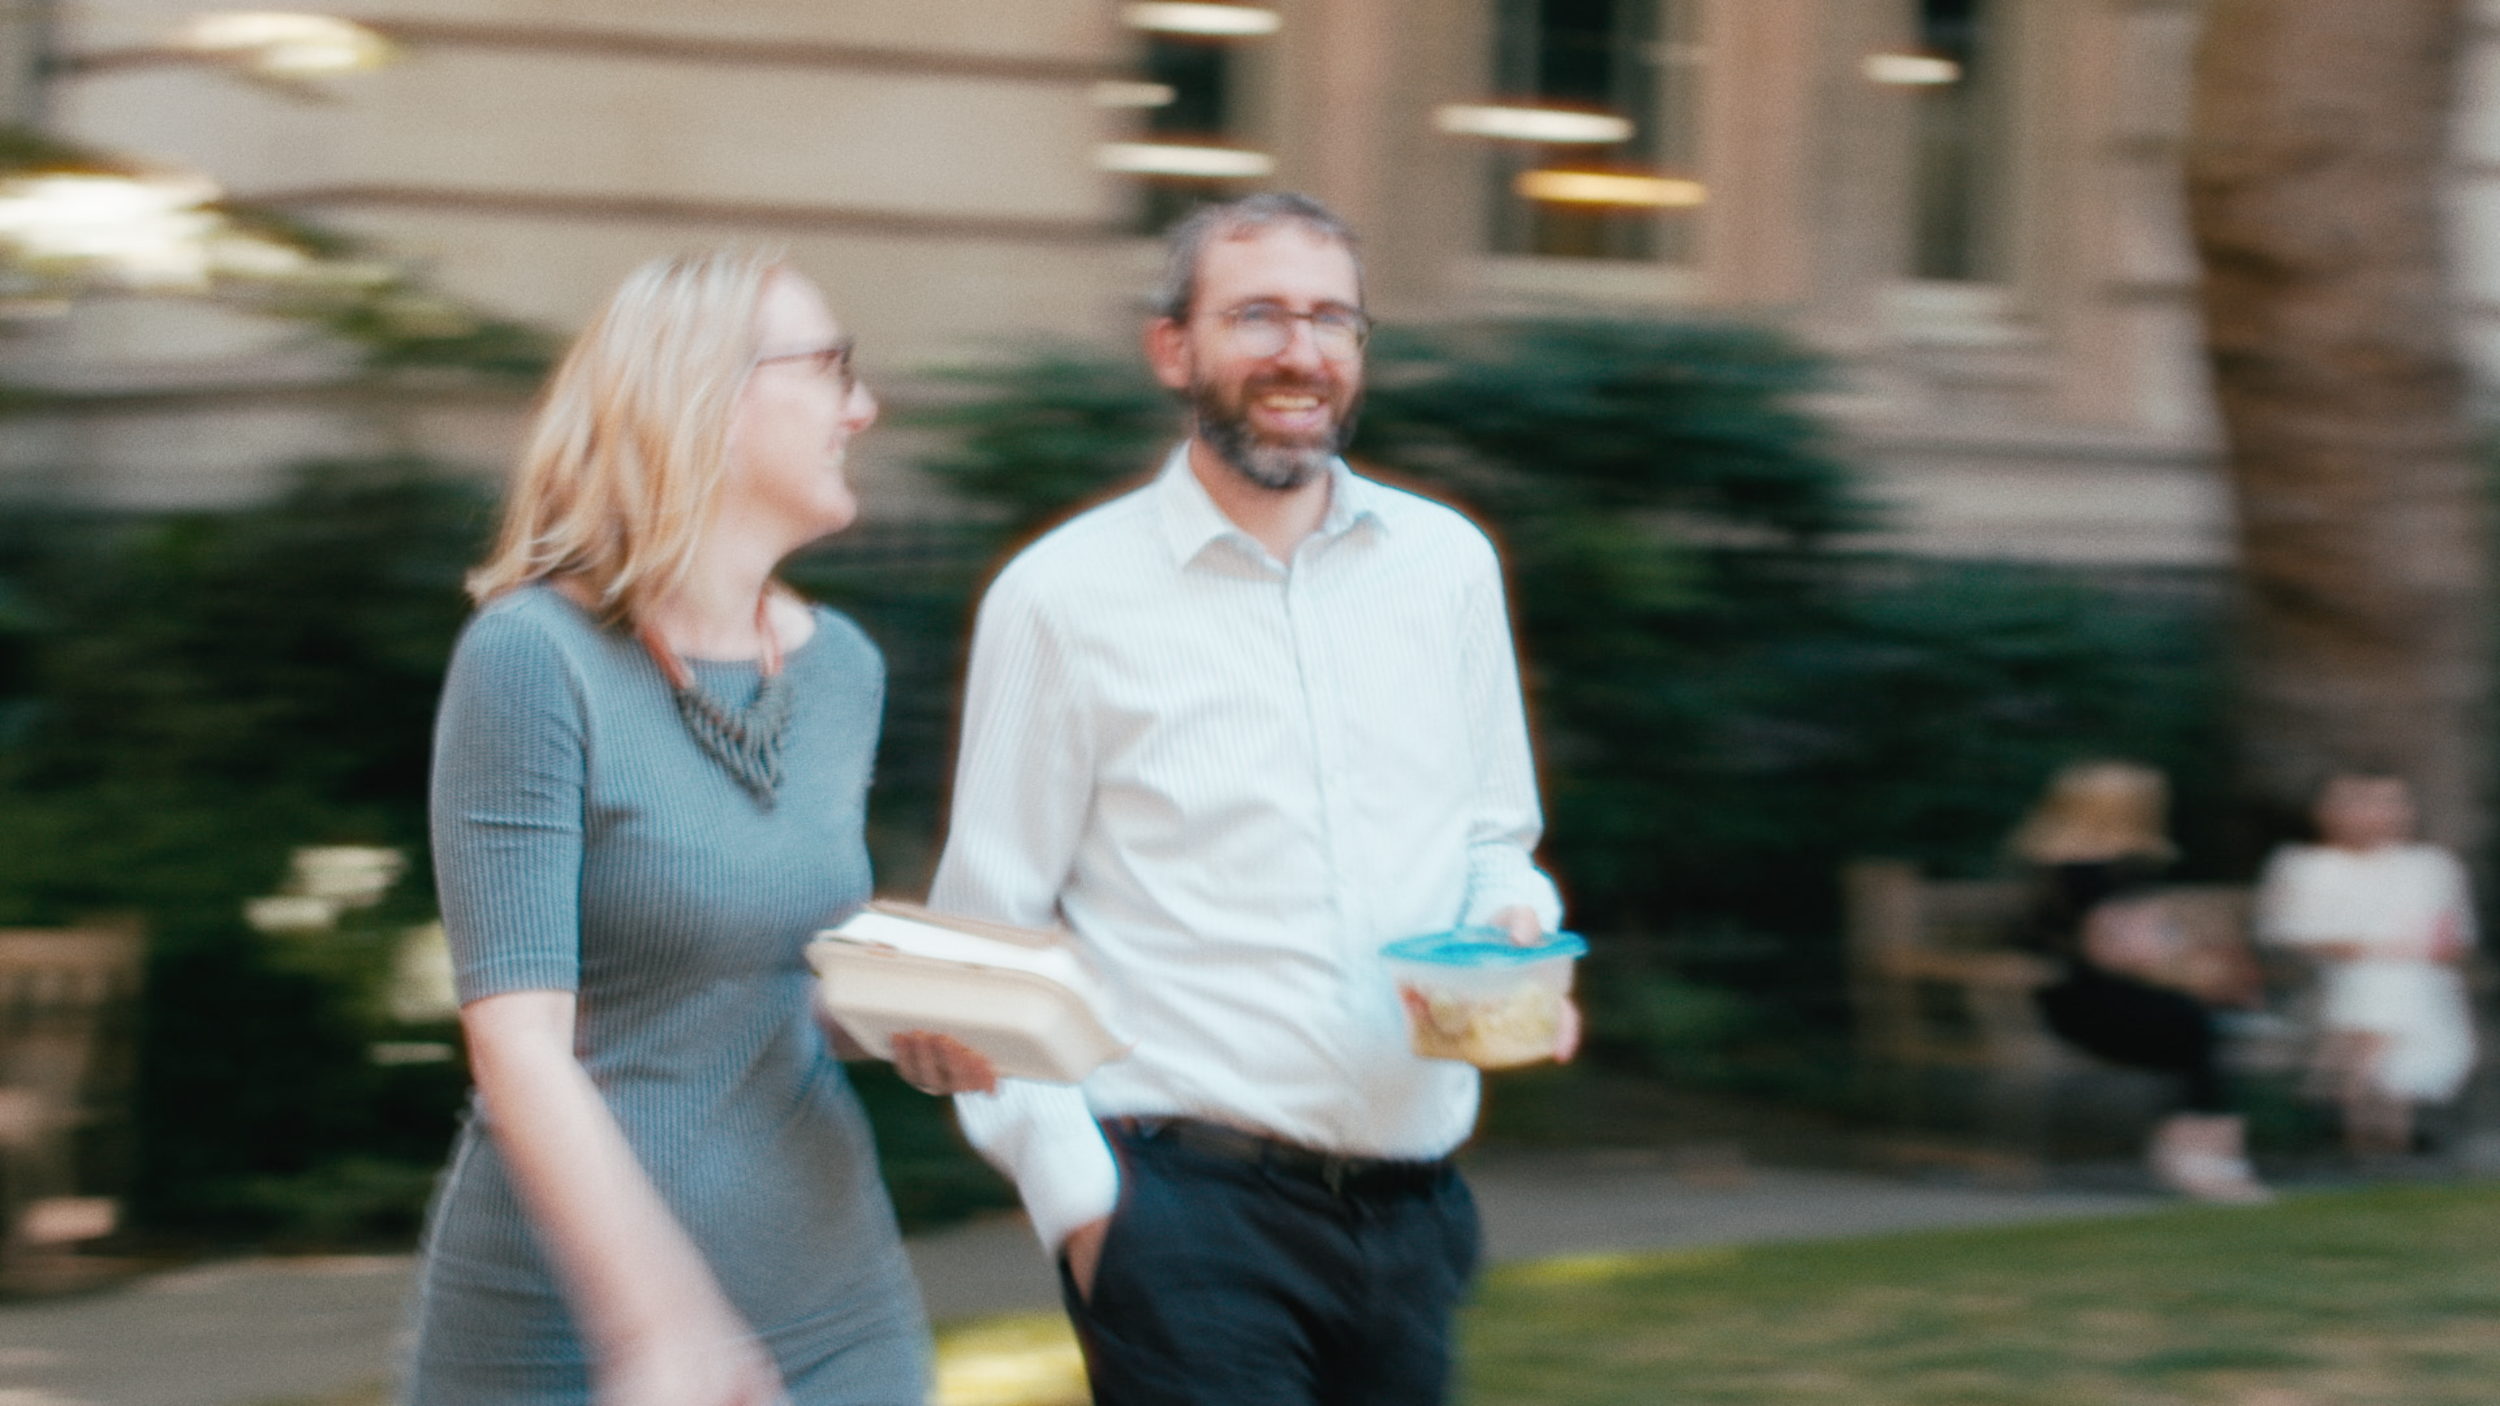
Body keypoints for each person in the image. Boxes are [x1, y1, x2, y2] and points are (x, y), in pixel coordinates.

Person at [928, 192, 1573, 1406]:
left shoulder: (1447, 568)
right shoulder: (1061, 597)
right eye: (1258, 314)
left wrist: (1508, 934)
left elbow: (1495, 839)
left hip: (1412, 1205)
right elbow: (988, 943)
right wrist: (1082, 1203)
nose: (1301, 351)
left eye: (1333, 318)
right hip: (1183, 1217)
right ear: (1173, 348)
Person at [409, 249, 994, 1406]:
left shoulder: (844, 670)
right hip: (575, 1329)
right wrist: (661, 1320)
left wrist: (908, 1009)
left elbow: (777, 976)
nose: (862, 406)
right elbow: (517, 1041)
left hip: (837, 1305)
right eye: (832, 368)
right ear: (707, 397)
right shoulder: (534, 658)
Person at [2012, 761, 2271, 1203]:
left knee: (2199, 1023)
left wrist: (2184, 965)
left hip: (2080, 1000)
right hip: (2089, 1004)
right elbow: (2114, 949)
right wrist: (2189, 971)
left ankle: (2198, 1152)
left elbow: (2140, 939)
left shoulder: (2069, 866)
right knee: (2196, 1022)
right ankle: (2201, 1157)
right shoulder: (2090, 871)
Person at [2257, 772, 2478, 1157]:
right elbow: (2285, 936)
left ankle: (2354, 1107)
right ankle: (2388, 1130)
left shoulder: (2432, 866)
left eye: (2389, 803)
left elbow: (2455, 941)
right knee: (2380, 983)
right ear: (2328, 811)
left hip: (2421, 984)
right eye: (2362, 803)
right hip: (2327, 984)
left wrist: (2410, 950)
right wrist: (2377, 950)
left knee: (2395, 984)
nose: (2376, 814)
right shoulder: (2304, 866)